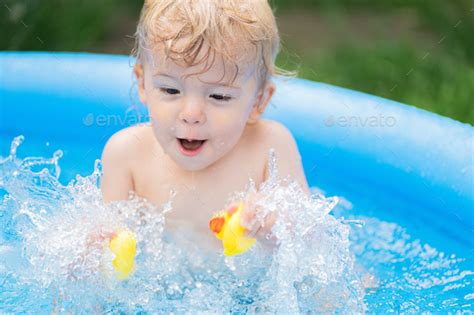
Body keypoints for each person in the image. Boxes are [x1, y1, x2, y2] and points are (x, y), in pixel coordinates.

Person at [100, 0, 310, 250]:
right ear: (143, 84)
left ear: (258, 100)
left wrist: (274, 224)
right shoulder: (127, 153)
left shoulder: (270, 148)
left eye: (219, 96)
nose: (191, 114)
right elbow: (106, 248)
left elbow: (311, 244)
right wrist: (90, 252)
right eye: (170, 89)